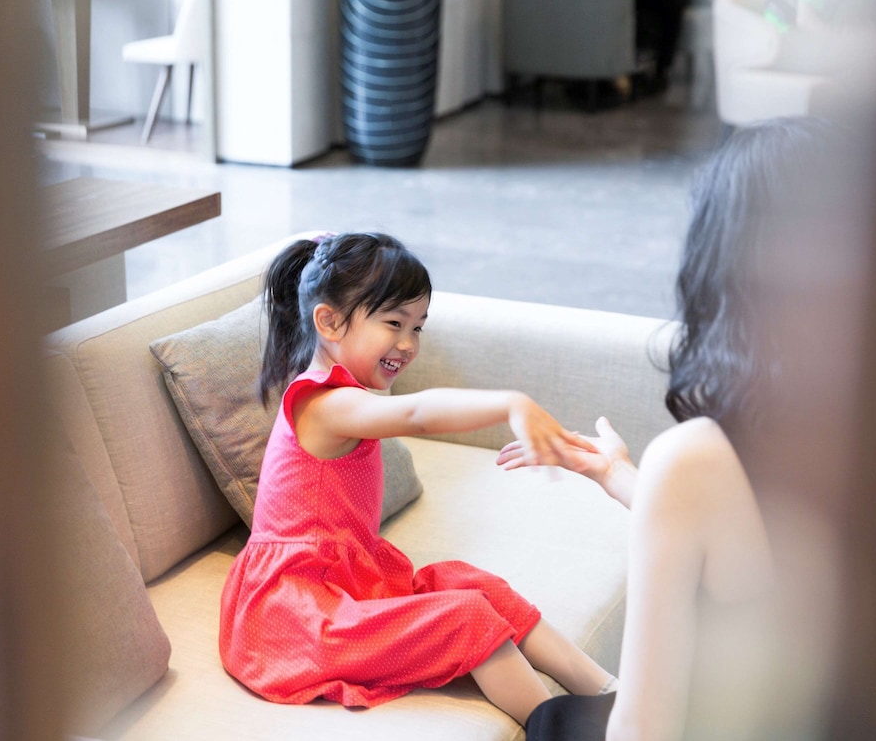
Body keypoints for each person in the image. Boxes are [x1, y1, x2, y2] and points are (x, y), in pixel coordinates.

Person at [497, 117, 837, 740]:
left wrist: (659, 480)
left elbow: (643, 731)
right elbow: (750, 553)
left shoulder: (698, 458)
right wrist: (620, 475)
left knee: (553, 722)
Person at [218, 232, 617, 727]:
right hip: (300, 617)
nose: (408, 344)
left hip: (345, 586)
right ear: (329, 321)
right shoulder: (324, 404)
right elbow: (418, 413)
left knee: (468, 583)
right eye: (394, 323)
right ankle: (559, 728)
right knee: (465, 617)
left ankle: (610, 694)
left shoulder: (344, 393)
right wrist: (511, 403)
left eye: (418, 327)